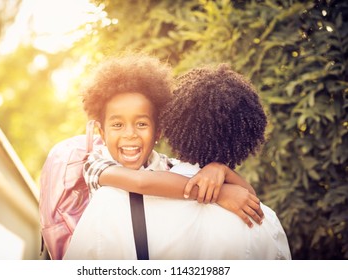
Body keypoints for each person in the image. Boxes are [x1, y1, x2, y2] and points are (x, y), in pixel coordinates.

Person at [63, 58, 291, 259]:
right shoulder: (96, 164)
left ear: (161, 130)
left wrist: (220, 170)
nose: (130, 134)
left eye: (141, 124)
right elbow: (142, 183)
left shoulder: (117, 200)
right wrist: (219, 191)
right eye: (117, 125)